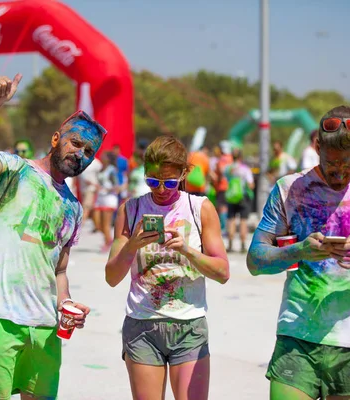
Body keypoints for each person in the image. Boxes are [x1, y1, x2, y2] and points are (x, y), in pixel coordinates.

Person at [0, 74, 106, 399]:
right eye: (76, 143)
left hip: (45, 328)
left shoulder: (73, 207)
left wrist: (65, 304)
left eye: (89, 151)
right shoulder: (13, 172)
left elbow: (59, 269)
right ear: (55, 139)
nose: (81, 154)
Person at [247, 105, 350, 400]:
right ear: (316, 147)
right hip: (297, 337)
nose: (339, 172)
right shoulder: (290, 188)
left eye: (348, 165)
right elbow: (255, 261)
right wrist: (297, 251)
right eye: (331, 164)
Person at [105, 135, 229, 400]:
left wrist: (186, 250)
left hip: (189, 326)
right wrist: (132, 245)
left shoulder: (200, 209)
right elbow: (111, 277)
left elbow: (222, 272)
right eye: (153, 181)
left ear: (184, 173)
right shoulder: (131, 209)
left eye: (170, 182)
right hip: (142, 324)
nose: (161, 189)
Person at [225, 148, 255, 253]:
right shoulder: (245, 169)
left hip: (231, 197)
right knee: (243, 221)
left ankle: (230, 244)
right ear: (241, 157)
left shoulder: (228, 169)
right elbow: (251, 184)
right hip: (243, 197)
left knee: (231, 220)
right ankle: (242, 246)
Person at [93, 151, 120, 251]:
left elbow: (116, 187)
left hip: (109, 198)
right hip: (100, 198)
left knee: (105, 224)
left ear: (108, 159)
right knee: (97, 222)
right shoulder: (100, 169)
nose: (101, 156)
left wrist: (106, 189)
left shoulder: (111, 170)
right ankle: (109, 240)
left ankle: (107, 242)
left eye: (104, 156)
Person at [78, 155, 103, 230]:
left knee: (87, 206)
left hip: (91, 188)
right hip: (83, 188)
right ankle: (97, 225)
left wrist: (97, 184)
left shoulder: (96, 163)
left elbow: (101, 173)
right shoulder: (82, 161)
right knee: (91, 207)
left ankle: (80, 225)